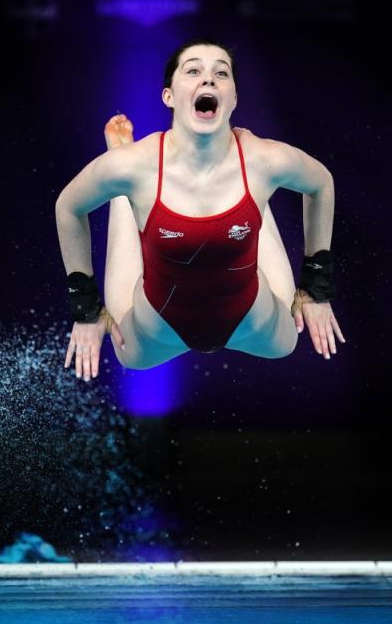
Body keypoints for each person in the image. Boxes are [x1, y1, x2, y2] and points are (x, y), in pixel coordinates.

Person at [55, 39, 344, 382]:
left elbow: (321, 183)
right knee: (126, 352)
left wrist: (315, 289)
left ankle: (251, 190)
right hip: (157, 328)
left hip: (253, 319)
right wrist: (86, 311)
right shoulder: (134, 166)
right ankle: (123, 193)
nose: (208, 79)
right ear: (168, 97)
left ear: (233, 98)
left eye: (221, 73)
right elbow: (68, 206)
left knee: (287, 343)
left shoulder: (267, 158)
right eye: (193, 70)